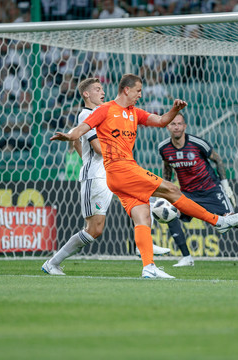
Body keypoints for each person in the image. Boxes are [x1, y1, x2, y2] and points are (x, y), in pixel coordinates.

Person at [50, 73, 238, 279]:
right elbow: (81, 129)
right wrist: (69, 136)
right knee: (171, 189)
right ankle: (218, 221)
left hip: (120, 175)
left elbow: (161, 121)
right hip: (120, 169)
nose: (140, 95)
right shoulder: (106, 109)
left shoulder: (135, 112)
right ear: (127, 90)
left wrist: (174, 110)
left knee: (142, 214)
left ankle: (149, 267)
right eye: (138, 91)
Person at [42, 77, 170, 275]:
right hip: (97, 176)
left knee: (138, 201)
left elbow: (77, 142)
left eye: (102, 88)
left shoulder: (105, 112)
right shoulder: (86, 114)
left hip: (112, 171)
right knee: (95, 229)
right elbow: (96, 147)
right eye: (97, 89)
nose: (102, 92)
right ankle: (52, 263)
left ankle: (144, 246)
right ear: (86, 94)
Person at [159, 114, 238, 267]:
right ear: (167, 126)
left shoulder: (197, 143)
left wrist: (225, 185)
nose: (177, 127)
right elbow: (167, 168)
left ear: (185, 126)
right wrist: (167, 190)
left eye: (179, 124)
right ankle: (187, 257)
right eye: (173, 124)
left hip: (211, 190)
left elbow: (218, 160)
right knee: (170, 214)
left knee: (234, 220)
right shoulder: (164, 148)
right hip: (188, 193)